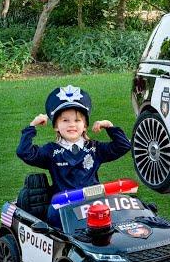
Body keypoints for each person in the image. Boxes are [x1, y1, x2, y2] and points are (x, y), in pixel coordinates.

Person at [16, 85, 132, 229]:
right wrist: (32, 126)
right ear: (56, 126)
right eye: (65, 121)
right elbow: (24, 152)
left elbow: (124, 146)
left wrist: (109, 126)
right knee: (56, 218)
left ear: (85, 126)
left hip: (93, 203)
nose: (72, 125)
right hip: (64, 207)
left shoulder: (94, 148)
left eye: (77, 120)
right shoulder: (51, 151)